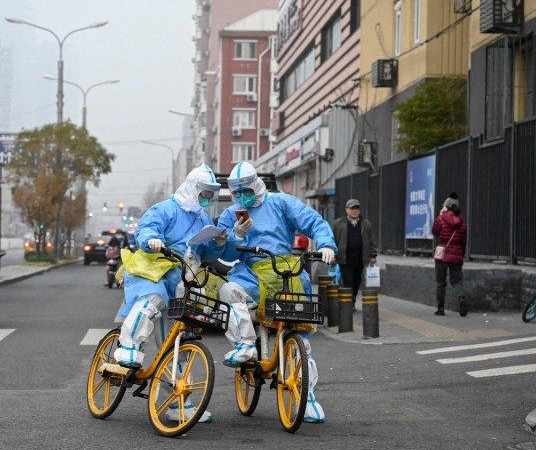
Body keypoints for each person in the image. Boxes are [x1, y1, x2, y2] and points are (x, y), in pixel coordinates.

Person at [216, 161, 336, 423]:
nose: (241, 197)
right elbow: (222, 254)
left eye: (245, 191)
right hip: (249, 272)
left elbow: (312, 221)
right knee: (228, 291)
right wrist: (234, 237)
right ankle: (245, 345)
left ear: (256, 184)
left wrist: (326, 244)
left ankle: (308, 397)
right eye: (236, 193)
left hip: (285, 272)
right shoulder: (231, 213)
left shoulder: (281, 203)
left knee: (300, 342)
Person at [113, 164, 227, 423]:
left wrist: (219, 244)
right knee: (153, 301)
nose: (207, 198)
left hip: (182, 282)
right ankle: (128, 347)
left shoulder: (203, 219)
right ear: (193, 188)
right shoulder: (166, 209)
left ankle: (176, 402)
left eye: (211, 194)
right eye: (205, 193)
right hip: (151, 272)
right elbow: (145, 230)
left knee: (176, 346)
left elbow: (205, 254)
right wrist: (152, 239)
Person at [331, 199, 377, 312]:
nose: (355, 211)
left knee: (357, 282)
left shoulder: (366, 224)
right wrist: (333, 255)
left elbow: (371, 241)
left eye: (357, 208)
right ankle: (347, 304)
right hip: (344, 258)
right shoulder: (338, 224)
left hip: (360, 258)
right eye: (352, 208)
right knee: (348, 280)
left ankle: (352, 301)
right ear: (347, 210)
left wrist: (373, 255)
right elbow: (333, 240)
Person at [432, 192, 467, 316]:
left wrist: (439, 215)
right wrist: (461, 255)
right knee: (457, 281)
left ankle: (441, 309)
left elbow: (434, 231)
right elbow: (463, 241)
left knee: (441, 283)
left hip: (443, 254)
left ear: (446, 206)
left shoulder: (441, 218)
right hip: (457, 254)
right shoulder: (462, 222)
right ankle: (461, 298)